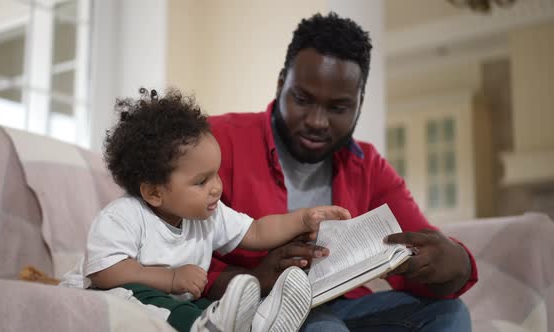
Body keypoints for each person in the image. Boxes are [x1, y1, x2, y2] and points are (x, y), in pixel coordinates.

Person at [206, 12, 479, 332]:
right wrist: (256, 279)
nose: (317, 121)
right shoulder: (217, 141)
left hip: (342, 307)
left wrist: (455, 263)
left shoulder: (368, 165)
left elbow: (424, 252)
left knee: (450, 315)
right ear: (281, 84)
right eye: (303, 99)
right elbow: (172, 253)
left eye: (338, 108)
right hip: (254, 309)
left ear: (359, 103)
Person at [61, 88, 351, 332]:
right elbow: (105, 271)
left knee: (203, 305)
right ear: (153, 192)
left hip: (175, 303)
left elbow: (257, 231)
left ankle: (257, 322)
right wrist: (171, 279)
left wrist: (304, 218)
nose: (216, 187)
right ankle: (209, 325)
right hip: (110, 294)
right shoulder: (124, 216)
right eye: (201, 181)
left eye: (215, 174)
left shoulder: (208, 214)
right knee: (139, 294)